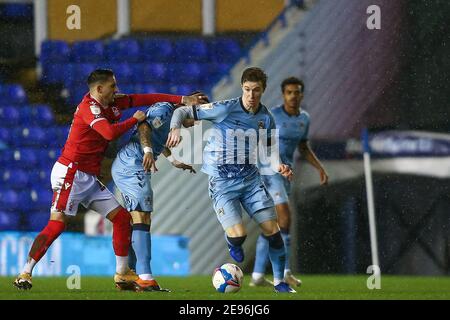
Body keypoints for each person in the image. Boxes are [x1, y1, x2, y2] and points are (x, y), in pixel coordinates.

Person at [13, 69, 207, 290]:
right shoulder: (89, 108)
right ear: (99, 89)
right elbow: (107, 133)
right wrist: (133, 119)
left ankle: (122, 273)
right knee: (57, 224)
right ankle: (25, 272)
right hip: (71, 173)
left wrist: (181, 99)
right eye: (113, 86)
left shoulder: (113, 102)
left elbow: (145, 98)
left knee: (122, 219)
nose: (117, 90)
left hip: (88, 175)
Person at [167, 67, 296, 293]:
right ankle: (233, 242)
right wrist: (175, 129)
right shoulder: (225, 108)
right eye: (247, 89)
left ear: (263, 91)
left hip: (251, 181)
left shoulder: (266, 118)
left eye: (256, 90)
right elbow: (182, 112)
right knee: (239, 235)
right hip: (222, 182)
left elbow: (270, 149)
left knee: (273, 231)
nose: (251, 95)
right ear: (242, 88)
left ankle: (280, 283)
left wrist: (279, 166)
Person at [250, 77, 329, 288]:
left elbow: (302, 147)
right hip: (268, 172)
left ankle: (257, 275)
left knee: (272, 225)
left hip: (286, 174)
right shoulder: (272, 115)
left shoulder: (304, 119)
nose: (293, 96)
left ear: (302, 95)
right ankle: (284, 273)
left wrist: (319, 167)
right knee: (285, 217)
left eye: (297, 92)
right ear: (284, 95)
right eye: (289, 92)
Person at [111, 101, 197, 292]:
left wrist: (174, 161)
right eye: (198, 114)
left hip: (133, 165)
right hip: (132, 164)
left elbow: (157, 138)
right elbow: (144, 126)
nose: (198, 120)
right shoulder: (165, 110)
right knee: (143, 216)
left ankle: (128, 275)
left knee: (136, 220)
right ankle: (145, 277)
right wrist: (148, 151)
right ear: (193, 104)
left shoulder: (171, 118)